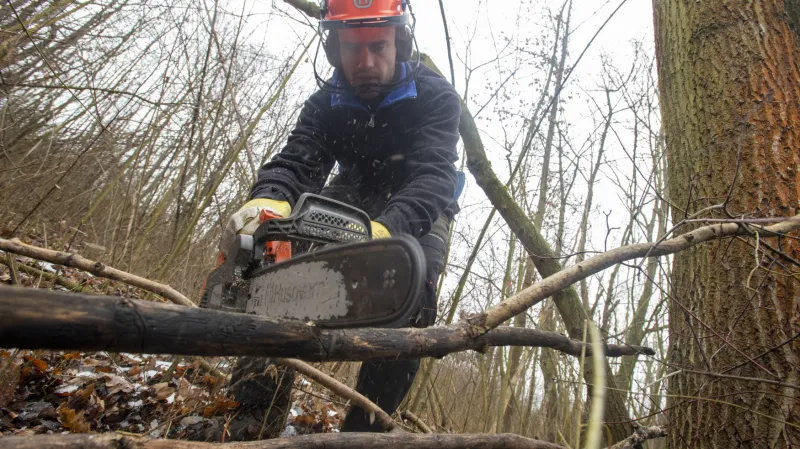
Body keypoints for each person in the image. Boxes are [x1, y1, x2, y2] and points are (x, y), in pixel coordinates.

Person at [215, 0, 463, 440]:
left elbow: (434, 176)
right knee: (278, 259)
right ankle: (252, 417)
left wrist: (385, 232)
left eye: (378, 47)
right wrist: (265, 204)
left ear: (400, 42)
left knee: (413, 290)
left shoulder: (436, 96)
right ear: (334, 49)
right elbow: (297, 163)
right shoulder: (325, 102)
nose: (365, 62)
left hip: (419, 202)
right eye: (352, 48)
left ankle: (362, 434)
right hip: (353, 189)